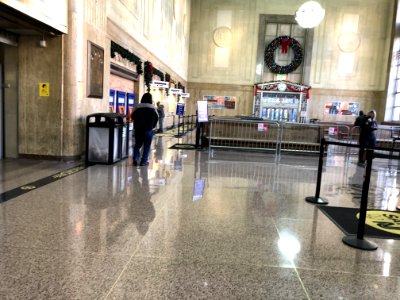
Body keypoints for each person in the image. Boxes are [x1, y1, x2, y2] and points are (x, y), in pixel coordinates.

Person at [131, 93, 159, 166]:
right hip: (148, 130)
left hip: (139, 130)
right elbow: (157, 118)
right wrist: (152, 126)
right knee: (147, 146)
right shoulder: (153, 108)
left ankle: (136, 159)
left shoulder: (138, 107)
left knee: (137, 145)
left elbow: (132, 116)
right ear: (150, 99)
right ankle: (143, 161)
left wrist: (137, 123)